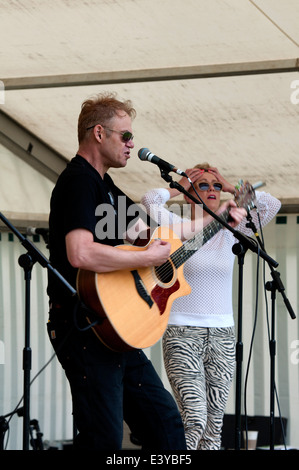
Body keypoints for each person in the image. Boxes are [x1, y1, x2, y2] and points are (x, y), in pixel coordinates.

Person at [47, 92, 189, 451]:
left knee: (167, 427)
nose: (132, 144)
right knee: (104, 439)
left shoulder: (106, 187)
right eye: (125, 136)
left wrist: (205, 224)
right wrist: (144, 259)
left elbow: (144, 234)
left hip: (116, 325)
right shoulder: (79, 181)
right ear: (99, 134)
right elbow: (80, 253)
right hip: (83, 326)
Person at [141, 163, 281, 450]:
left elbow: (271, 203)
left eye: (215, 186)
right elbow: (149, 200)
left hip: (223, 335)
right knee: (194, 418)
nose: (212, 190)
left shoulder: (232, 227)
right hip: (182, 331)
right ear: (189, 193)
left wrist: (230, 185)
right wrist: (178, 183)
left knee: (214, 425)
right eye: (203, 185)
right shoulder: (174, 224)